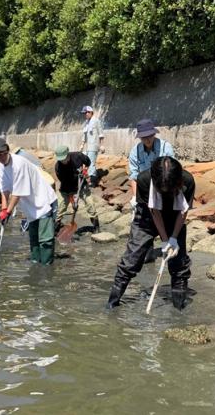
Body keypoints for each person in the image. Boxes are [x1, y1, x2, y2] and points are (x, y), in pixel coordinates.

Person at [106, 156, 196, 310]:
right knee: (131, 259)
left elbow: (183, 211)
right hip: (147, 218)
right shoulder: (144, 180)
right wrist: (164, 239)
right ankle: (111, 305)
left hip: (174, 217)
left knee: (179, 264)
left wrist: (173, 239)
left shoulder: (187, 181)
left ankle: (179, 309)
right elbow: (154, 211)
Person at [0, 138, 58, 265]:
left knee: (45, 240)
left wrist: (9, 212)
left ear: (7, 150)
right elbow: (5, 190)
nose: (1, 156)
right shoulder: (0, 166)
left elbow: (17, 193)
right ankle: (35, 265)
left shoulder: (19, 163)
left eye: (3, 153)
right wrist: (3, 210)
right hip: (30, 205)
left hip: (43, 201)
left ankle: (46, 267)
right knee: (33, 239)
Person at [52, 145, 100, 232]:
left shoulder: (78, 156)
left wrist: (85, 170)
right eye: (61, 160)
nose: (63, 161)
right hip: (66, 188)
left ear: (67, 154)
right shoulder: (58, 167)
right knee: (60, 209)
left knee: (90, 205)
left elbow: (88, 162)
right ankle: (55, 230)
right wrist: (73, 201)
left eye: (64, 159)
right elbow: (66, 185)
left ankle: (96, 228)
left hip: (81, 185)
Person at [127, 119, 176, 201]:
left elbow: (172, 172)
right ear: (140, 137)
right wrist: (135, 197)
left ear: (154, 134)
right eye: (144, 137)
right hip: (145, 189)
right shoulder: (135, 152)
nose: (147, 140)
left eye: (150, 136)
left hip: (164, 187)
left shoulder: (165, 147)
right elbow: (134, 176)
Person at [79, 106, 104, 173]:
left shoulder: (96, 121)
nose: (85, 115)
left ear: (90, 112)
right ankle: (88, 177)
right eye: (84, 113)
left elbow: (100, 133)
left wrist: (101, 145)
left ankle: (93, 180)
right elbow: (84, 134)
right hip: (88, 147)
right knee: (85, 162)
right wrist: (82, 144)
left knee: (91, 163)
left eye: (86, 113)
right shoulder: (87, 122)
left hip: (94, 146)